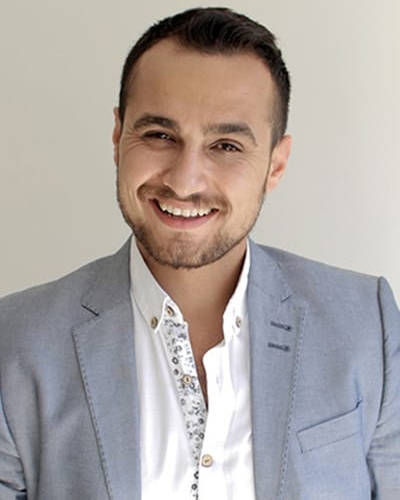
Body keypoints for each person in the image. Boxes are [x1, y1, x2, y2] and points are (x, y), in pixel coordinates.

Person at [0, 7, 399, 500]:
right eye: (160, 136)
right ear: (118, 138)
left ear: (275, 165)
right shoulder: (15, 344)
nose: (185, 181)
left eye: (226, 145)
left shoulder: (368, 326)